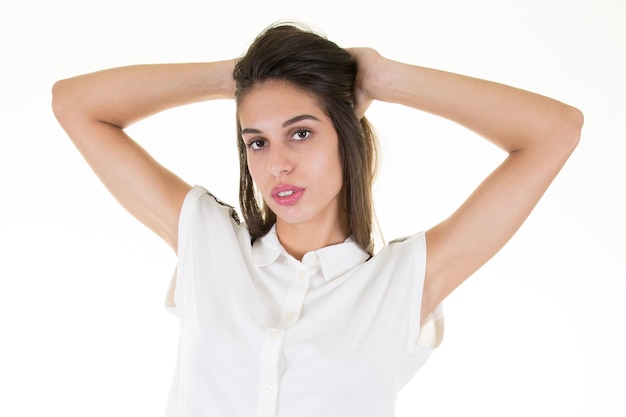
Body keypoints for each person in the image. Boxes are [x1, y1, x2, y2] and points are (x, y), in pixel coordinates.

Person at [52, 22, 583, 417]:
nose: (277, 162)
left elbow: (555, 130)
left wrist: (384, 77)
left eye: (301, 132)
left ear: (345, 137)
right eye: (256, 141)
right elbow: (74, 102)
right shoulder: (208, 242)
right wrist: (236, 78)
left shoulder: (401, 283)